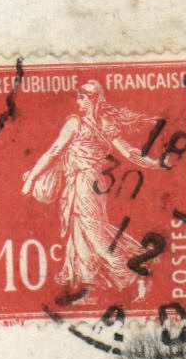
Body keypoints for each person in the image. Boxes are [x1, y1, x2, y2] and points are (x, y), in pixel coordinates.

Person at [21, 80, 162, 301]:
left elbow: (53, 152)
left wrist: (31, 179)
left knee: (96, 238)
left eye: (84, 98)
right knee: (80, 238)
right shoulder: (101, 124)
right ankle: (90, 290)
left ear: (94, 99)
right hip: (88, 184)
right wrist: (154, 163)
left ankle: (137, 272)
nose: (80, 102)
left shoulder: (77, 124)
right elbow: (129, 153)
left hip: (84, 184)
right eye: (79, 97)